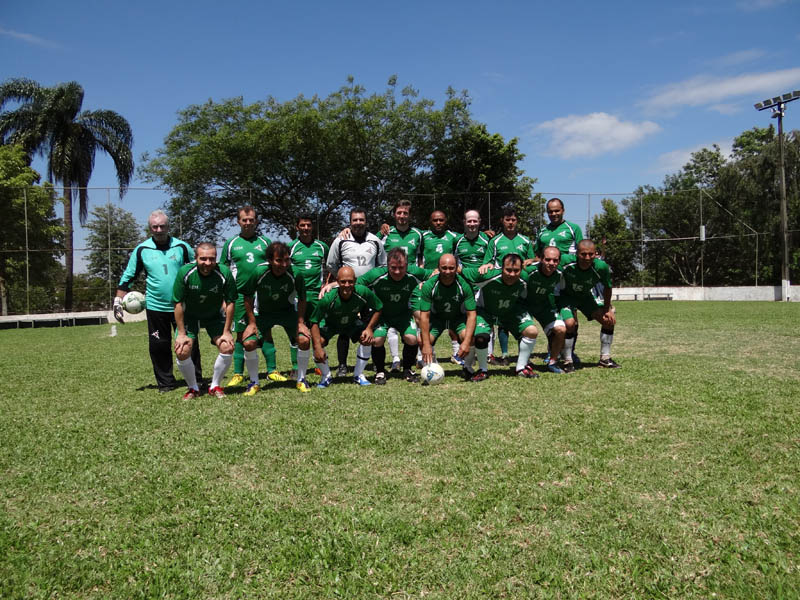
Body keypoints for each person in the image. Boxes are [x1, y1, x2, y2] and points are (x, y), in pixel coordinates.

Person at [115, 209, 200, 393]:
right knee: (159, 345)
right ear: (150, 228)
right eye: (155, 227)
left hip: (182, 305)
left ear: (168, 227)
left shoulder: (182, 247)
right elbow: (129, 276)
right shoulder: (142, 249)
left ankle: (196, 380)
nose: (159, 230)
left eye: (162, 226)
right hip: (155, 306)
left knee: (188, 343)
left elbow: (197, 271)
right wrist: (117, 301)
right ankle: (166, 383)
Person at [241, 242, 313, 393]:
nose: (284, 264)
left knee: (304, 340)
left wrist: (301, 322)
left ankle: (301, 379)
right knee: (249, 343)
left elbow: (302, 298)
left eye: (287, 260)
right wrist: (251, 323)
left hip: (287, 312)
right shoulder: (259, 272)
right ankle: (253, 383)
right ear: (269, 260)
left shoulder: (295, 273)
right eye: (279, 260)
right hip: (263, 314)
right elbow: (247, 297)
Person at [220, 206, 278, 388]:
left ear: (256, 221)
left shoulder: (265, 242)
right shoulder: (231, 243)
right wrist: (224, 298)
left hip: (261, 294)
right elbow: (222, 270)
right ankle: (238, 373)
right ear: (238, 222)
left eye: (251, 220)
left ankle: (272, 370)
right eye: (244, 220)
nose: (248, 223)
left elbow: (274, 267)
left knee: (265, 330)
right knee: (240, 333)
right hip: (238, 295)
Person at [172, 242, 237, 399]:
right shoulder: (185, 272)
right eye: (203, 259)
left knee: (227, 347)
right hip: (190, 316)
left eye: (212, 259)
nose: (207, 263)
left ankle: (215, 386)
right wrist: (181, 333)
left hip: (214, 316)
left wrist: (227, 331)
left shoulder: (224, 273)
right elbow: (177, 303)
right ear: (196, 258)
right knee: (182, 350)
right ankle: (193, 388)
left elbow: (230, 302)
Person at [326, 208, 386, 377]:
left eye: (361, 220)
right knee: (344, 328)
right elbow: (331, 264)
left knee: (370, 327)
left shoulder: (375, 240)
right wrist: (343, 280)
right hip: (347, 292)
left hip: (368, 293)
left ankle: (373, 364)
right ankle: (342, 365)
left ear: (366, 222)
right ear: (350, 222)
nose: (358, 223)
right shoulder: (341, 240)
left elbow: (382, 265)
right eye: (355, 220)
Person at [358, 247, 431, 384]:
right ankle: (380, 371)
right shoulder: (376, 274)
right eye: (393, 268)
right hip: (382, 315)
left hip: (403, 314)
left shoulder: (413, 272)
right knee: (377, 339)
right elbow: (355, 284)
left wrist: (426, 283)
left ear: (407, 265)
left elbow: (434, 273)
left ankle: (408, 370)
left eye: (401, 267)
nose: (397, 272)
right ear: (387, 265)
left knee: (412, 338)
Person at [463, 254, 539, 378]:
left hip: (509, 312)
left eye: (516, 270)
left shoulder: (525, 278)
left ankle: (521, 368)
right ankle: (482, 370)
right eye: (508, 270)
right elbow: (460, 270)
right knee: (481, 337)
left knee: (532, 331)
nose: (512, 274)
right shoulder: (488, 274)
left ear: (521, 270)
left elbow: (546, 263)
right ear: (501, 268)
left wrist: (534, 259)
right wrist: (437, 270)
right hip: (486, 312)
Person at [310, 266, 383, 388]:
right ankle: (326, 376)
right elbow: (314, 321)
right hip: (331, 324)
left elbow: (378, 307)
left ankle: (358, 375)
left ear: (355, 281)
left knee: (367, 339)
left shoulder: (363, 292)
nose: (347, 285)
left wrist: (369, 328)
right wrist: (317, 347)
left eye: (350, 281)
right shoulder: (328, 298)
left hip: (351, 323)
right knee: (318, 342)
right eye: (343, 282)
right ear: (337, 282)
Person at [482, 205, 536, 366]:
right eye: (507, 220)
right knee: (502, 322)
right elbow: (488, 262)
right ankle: (505, 354)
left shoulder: (525, 240)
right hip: (502, 286)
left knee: (522, 320)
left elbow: (532, 260)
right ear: (502, 221)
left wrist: (532, 260)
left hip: (520, 286)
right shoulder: (495, 241)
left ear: (517, 221)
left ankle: (523, 356)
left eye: (513, 220)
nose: (510, 223)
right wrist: (489, 265)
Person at [417, 254, 484, 381]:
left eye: (451, 268)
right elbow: (424, 316)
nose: (447, 272)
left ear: (457, 267)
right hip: (437, 320)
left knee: (469, 337)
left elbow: (471, 315)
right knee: (421, 340)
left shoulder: (464, 285)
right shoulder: (429, 285)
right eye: (444, 268)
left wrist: (466, 343)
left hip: (457, 319)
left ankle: (467, 367)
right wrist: (426, 345)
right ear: (438, 268)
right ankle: (433, 367)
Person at [557, 239, 621, 371]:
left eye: (591, 254)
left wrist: (607, 309)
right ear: (577, 253)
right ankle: (567, 360)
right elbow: (546, 263)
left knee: (608, 321)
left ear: (595, 253)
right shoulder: (565, 261)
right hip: (566, 297)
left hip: (586, 297)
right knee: (570, 324)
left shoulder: (601, 267)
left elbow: (607, 288)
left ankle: (605, 358)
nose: (587, 258)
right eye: (583, 254)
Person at [288, 213, 329, 378]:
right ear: (297, 227)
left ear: (313, 227)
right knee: (297, 333)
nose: (306, 228)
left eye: (308, 225)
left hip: (316, 295)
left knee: (320, 332)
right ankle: (295, 367)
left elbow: (330, 267)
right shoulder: (291, 246)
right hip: (296, 296)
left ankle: (319, 362)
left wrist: (326, 284)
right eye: (302, 225)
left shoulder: (322, 246)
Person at [522, 246, 567, 374]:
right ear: (541, 259)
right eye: (548, 260)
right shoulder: (528, 271)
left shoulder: (560, 273)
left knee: (561, 329)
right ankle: (524, 362)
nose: (551, 263)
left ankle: (552, 362)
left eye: (555, 260)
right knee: (528, 330)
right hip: (525, 305)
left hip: (544, 305)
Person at [534, 197, 584, 265]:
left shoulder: (574, 228)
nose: (553, 214)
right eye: (550, 212)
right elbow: (538, 255)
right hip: (548, 268)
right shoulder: (541, 231)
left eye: (557, 211)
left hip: (567, 268)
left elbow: (582, 252)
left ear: (563, 211)